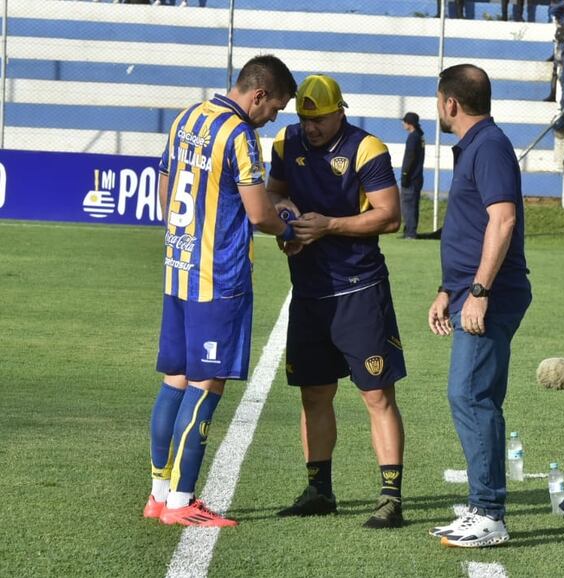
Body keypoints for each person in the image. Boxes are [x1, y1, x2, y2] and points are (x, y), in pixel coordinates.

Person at [143, 55, 297, 527]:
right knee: (206, 386)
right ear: (259, 96)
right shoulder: (239, 136)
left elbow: (167, 188)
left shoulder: (188, 116)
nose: (273, 118)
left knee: (175, 380)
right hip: (219, 279)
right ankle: (183, 501)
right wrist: (289, 228)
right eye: (275, 108)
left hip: (179, 270)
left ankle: (158, 493)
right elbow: (257, 215)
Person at [267, 74, 407, 529]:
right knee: (314, 393)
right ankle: (319, 489)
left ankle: (390, 497)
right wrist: (287, 220)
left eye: (320, 119)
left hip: (359, 290)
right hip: (308, 292)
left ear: (340, 111)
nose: (311, 128)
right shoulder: (286, 143)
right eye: (305, 119)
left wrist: (328, 225)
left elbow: (389, 217)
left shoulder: (368, 149)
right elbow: (275, 193)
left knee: (375, 393)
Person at [427, 64, 531, 548]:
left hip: (492, 294)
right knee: (469, 394)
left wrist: (480, 292)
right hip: (469, 291)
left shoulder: (488, 145)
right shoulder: (475, 146)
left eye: (438, 100)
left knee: (472, 396)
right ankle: (480, 506)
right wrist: (449, 290)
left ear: (450, 103)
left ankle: (489, 513)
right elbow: (471, 226)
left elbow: (503, 221)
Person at [400, 112, 425, 239]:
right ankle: (409, 230)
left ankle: (410, 232)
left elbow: (409, 157)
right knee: (413, 204)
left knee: (408, 204)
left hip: (411, 178)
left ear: (409, 123)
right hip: (417, 177)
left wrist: (404, 174)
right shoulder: (419, 136)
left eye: (404, 121)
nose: (403, 124)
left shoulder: (413, 137)